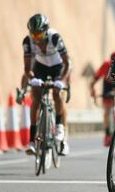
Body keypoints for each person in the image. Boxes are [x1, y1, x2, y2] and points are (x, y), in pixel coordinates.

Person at [23, 13, 71, 156]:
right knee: (35, 99)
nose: (36, 40)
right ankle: (32, 140)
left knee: (57, 93)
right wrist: (31, 78)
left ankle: (59, 126)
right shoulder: (28, 41)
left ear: (45, 32)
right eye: (33, 36)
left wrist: (61, 81)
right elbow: (27, 68)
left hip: (58, 66)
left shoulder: (54, 38)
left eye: (39, 36)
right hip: (40, 67)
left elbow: (67, 63)